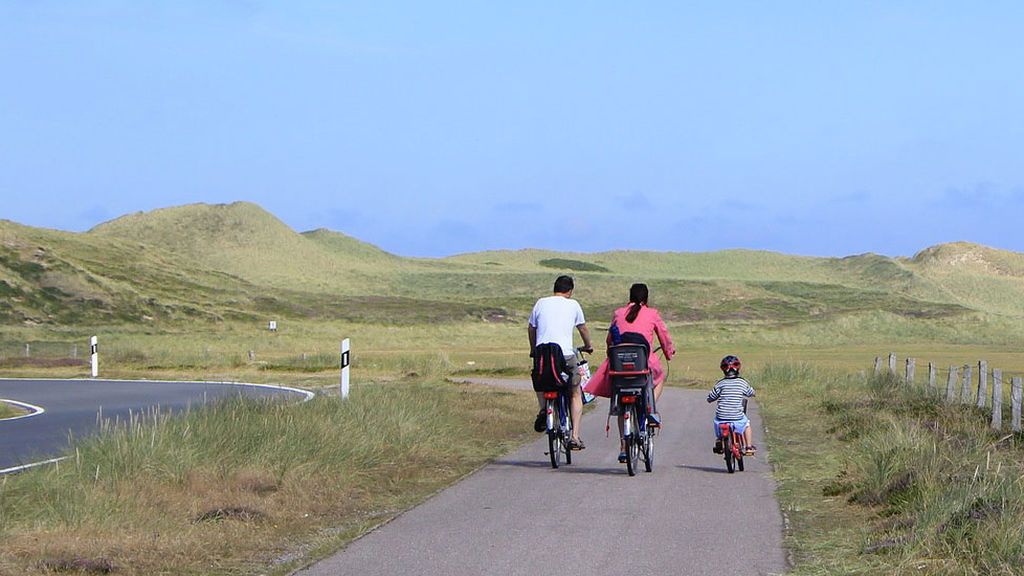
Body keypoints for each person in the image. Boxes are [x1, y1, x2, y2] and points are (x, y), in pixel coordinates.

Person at [581, 283, 675, 462]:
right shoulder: (652, 313)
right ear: (646, 298)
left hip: (619, 366)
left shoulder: (618, 313)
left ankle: (624, 445)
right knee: (659, 378)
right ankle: (649, 407)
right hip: (643, 364)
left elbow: (609, 339)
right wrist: (669, 353)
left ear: (629, 297)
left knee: (621, 403)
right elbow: (664, 336)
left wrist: (612, 353)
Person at [528, 275, 593, 449]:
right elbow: (583, 328)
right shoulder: (573, 304)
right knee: (575, 393)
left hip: (543, 353)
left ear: (554, 288)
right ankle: (575, 436)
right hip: (565, 355)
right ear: (570, 291)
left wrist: (534, 349)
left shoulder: (540, 303)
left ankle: (543, 409)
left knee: (539, 379)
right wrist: (588, 346)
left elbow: (531, 328)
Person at [707, 355, 756, 456]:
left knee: (717, 420)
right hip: (737, 417)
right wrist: (752, 393)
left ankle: (720, 439)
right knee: (746, 424)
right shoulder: (742, 382)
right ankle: (748, 447)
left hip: (722, 417)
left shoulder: (720, 384)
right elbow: (750, 392)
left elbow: (710, 397)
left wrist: (712, 398)